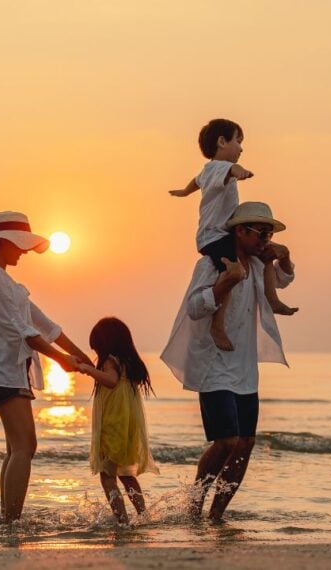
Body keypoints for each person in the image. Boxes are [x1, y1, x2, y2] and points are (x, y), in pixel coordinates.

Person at [161, 201, 295, 522]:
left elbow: (283, 279)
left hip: (245, 370)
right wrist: (224, 282)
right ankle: (195, 503)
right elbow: (195, 307)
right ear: (240, 230)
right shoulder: (212, 264)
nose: (266, 239)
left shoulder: (257, 264)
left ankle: (217, 515)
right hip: (213, 366)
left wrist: (285, 255)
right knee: (226, 441)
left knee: (246, 442)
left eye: (269, 233)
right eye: (260, 232)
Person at [0, 211, 91, 523]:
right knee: (25, 447)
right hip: (0, 371)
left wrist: (82, 356)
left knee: (16, 449)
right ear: (3, 243)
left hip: (12, 371)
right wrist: (62, 361)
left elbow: (44, 325)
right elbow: (21, 330)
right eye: (20, 245)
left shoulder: (4, 280)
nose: (23, 252)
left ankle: (8, 519)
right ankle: (11, 521)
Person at [169, 118, 297, 352]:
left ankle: (273, 300)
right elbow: (232, 169)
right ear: (221, 142)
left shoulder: (207, 173)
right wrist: (241, 172)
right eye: (238, 141)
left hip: (220, 235)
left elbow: (194, 182)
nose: (241, 148)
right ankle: (217, 325)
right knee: (231, 274)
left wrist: (184, 192)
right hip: (215, 237)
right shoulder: (219, 168)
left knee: (267, 255)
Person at [76, 317, 158, 525]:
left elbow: (111, 381)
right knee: (126, 475)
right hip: (127, 426)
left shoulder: (109, 362)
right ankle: (143, 515)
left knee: (107, 475)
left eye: (97, 349)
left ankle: (122, 520)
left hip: (113, 425)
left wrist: (88, 370)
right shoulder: (129, 364)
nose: (97, 355)